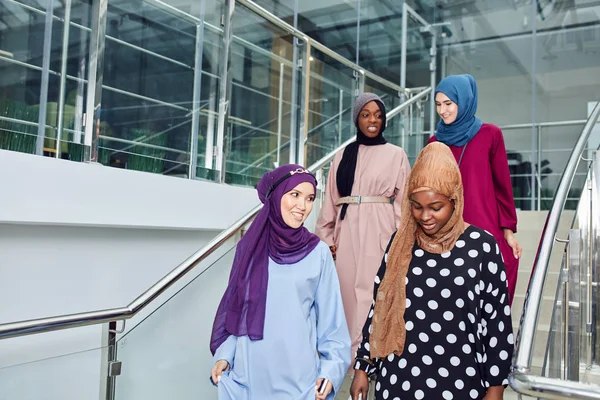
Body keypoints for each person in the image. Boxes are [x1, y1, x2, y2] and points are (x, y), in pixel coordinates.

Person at [350, 142, 514, 400]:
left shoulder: (482, 246)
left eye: (435, 207)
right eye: (416, 206)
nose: (425, 216)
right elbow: (380, 306)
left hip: (461, 380)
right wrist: (362, 366)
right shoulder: (400, 242)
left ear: (454, 199)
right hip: (398, 380)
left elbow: (496, 322)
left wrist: (496, 388)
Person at [210, 164, 351, 400]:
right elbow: (237, 313)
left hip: (298, 381)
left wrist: (331, 371)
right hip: (249, 377)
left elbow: (333, 325)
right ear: (275, 196)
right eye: (294, 195)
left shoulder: (319, 253)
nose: (302, 206)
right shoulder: (249, 248)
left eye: (309, 198)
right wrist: (225, 355)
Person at [315, 92, 411, 360]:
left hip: (380, 228)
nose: (372, 120)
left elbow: (403, 200)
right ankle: (347, 356)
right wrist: (325, 237)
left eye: (378, 115)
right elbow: (331, 199)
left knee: (372, 291)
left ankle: (371, 355)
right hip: (346, 230)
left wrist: (396, 236)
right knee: (345, 293)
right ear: (357, 118)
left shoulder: (396, 154)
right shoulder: (343, 154)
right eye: (366, 114)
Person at [429, 74, 522, 304]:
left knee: (490, 290)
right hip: (447, 231)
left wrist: (508, 231)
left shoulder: (490, 135)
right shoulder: (434, 142)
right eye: (438, 104)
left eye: (448, 103)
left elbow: (502, 186)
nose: (443, 110)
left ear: (465, 100)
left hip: (484, 227)